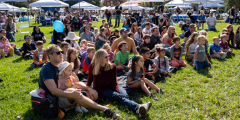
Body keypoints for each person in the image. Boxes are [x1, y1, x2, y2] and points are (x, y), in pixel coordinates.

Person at [39, 45, 120, 119]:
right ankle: (104, 109)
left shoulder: (61, 66)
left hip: (66, 93)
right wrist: (71, 94)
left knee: (88, 93)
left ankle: (68, 108)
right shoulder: (47, 69)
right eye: (58, 53)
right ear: (50, 56)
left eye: (61, 51)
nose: (61, 53)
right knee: (75, 92)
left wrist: (88, 88)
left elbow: (74, 83)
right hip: (54, 99)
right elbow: (54, 91)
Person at [87, 49, 152, 118]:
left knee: (125, 95)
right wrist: (88, 89)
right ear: (99, 58)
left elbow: (114, 82)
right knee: (119, 97)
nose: (108, 58)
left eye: (108, 55)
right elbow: (89, 80)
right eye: (106, 57)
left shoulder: (112, 67)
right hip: (102, 90)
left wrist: (116, 91)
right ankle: (138, 106)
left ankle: (138, 110)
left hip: (113, 86)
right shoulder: (92, 66)